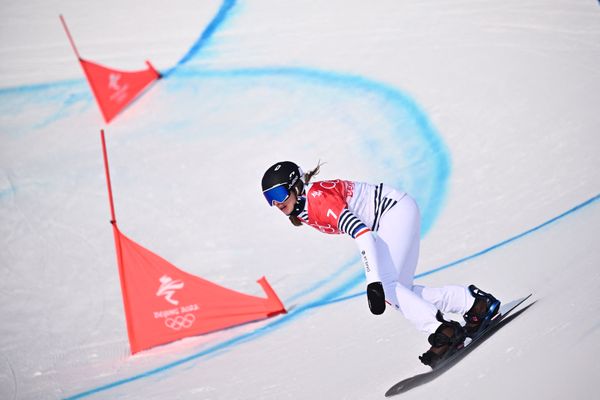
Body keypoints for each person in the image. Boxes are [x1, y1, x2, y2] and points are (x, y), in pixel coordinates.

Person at [261, 161, 501, 367]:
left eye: (279, 195)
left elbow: (362, 234)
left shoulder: (318, 200)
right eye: (269, 199)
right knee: (400, 293)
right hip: (393, 215)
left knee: (386, 287)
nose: (276, 204)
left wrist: (372, 281)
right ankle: (475, 304)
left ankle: (444, 332)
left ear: (296, 186)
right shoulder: (302, 208)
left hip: (394, 213)